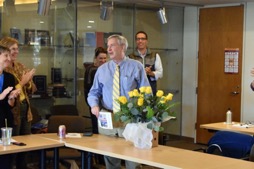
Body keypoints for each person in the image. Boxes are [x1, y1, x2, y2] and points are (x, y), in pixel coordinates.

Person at [88, 34, 150, 169]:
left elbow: (146, 93)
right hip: (107, 118)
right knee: (110, 158)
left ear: (122, 47)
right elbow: (93, 92)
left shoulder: (136, 66)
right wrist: (94, 105)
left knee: (133, 159)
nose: (108, 49)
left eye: (112, 46)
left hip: (129, 118)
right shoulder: (102, 70)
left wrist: (142, 112)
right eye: (108, 46)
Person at [0, 37, 37, 169]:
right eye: (13, 49)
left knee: (26, 145)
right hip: (11, 113)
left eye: (17, 49)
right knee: (12, 148)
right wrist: (22, 82)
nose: (16, 52)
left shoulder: (20, 66)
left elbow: (32, 88)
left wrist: (27, 82)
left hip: (25, 110)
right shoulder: (5, 68)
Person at [0, 45, 20, 169]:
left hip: (5, 121)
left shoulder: (9, 77)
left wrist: (11, 98)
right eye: (5, 55)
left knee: (6, 158)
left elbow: (10, 105)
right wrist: (1, 95)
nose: (9, 58)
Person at [129, 31, 163, 95]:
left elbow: (160, 73)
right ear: (136, 41)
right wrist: (139, 72)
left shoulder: (155, 55)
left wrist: (151, 73)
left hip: (151, 89)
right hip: (135, 92)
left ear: (146, 41)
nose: (140, 41)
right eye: (138, 39)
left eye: (142, 39)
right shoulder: (130, 57)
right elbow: (128, 75)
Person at [84, 47, 107, 134]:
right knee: (96, 126)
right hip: (95, 102)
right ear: (96, 58)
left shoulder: (106, 69)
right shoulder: (92, 70)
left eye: (105, 58)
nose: (103, 60)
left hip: (105, 102)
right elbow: (89, 88)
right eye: (100, 58)